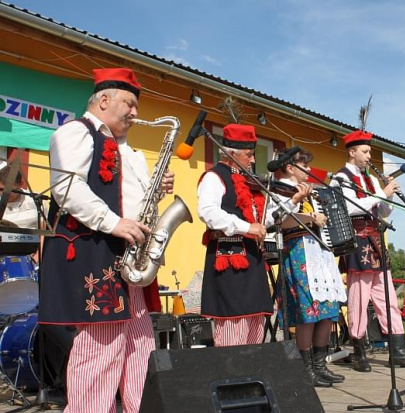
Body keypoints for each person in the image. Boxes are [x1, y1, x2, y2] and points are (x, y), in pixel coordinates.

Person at [38, 68, 174, 413]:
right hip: (95, 252)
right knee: (100, 350)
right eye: (129, 104)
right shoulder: (74, 132)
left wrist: (155, 191)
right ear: (103, 99)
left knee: (139, 345)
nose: (135, 113)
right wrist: (114, 223)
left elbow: (132, 204)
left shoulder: (126, 150)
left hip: (127, 258)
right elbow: (67, 189)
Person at [331, 130, 405, 372]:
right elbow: (349, 208)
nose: (369, 156)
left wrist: (388, 197)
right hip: (357, 242)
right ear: (352, 152)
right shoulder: (340, 178)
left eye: (369, 151)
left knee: (388, 299)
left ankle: (399, 351)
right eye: (365, 151)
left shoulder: (371, 179)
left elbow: (380, 212)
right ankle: (359, 352)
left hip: (376, 242)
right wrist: (381, 194)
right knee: (358, 300)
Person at [266, 148, 347, 387]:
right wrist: (311, 219)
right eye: (305, 165)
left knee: (326, 311)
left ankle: (320, 366)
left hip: (319, 254)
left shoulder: (310, 191)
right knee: (308, 313)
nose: (310, 170)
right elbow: (280, 221)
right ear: (290, 167)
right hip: (299, 252)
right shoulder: (280, 189)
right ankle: (306, 367)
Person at [197, 123, 273, 347]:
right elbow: (208, 213)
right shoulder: (214, 177)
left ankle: (250, 375)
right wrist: (248, 228)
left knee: (255, 320)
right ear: (232, 153)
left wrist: (293, 201)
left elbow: (261, 218)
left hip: (252, 258)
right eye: (248, 155)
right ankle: (231, 376)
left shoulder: (250, 183)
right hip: (229, 259)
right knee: (233, 322)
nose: (252, 160)